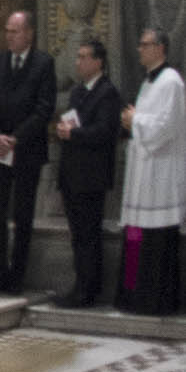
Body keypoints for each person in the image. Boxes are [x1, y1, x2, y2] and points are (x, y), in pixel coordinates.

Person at [0, 4, 57, 294]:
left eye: (15, 31)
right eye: (7, 31)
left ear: (29, 34)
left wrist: (16, 137)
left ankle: (17, 275)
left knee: (23, 214)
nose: (9, 36)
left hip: (26, 150)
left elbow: (44, 108)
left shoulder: (43, 64)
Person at [118, 21, 185, 316]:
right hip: (141, 178)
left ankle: (155, 300)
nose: (139, 50)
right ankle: (132, 295)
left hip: (160, 179)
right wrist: (131, 122)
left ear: (160, 48)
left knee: (155, 241)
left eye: (144, 45)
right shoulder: (148, 82)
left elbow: (166, 127)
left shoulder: (171, 82)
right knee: (135, 236)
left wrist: (135, 121)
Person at [53, 33, 121, 308]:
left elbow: (104, 131)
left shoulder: (107, 92)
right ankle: (80, 284)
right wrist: (64, 130)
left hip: (92, 176)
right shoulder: (78, 92)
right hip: (72, 173)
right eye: (77, 57)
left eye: (83, 57)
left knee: (89, 234)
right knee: (77, 235)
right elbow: (74, 124)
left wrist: (74, 134)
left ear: (98, 62)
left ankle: (88, 290)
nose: (77, 62)